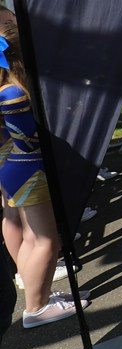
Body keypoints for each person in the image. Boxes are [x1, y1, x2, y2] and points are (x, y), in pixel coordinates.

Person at [0, 25, 89, 328]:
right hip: (28, 169)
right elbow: (29, 137)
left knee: (31, 237)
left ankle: (39, 294)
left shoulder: (10, 89)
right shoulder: (13, 93)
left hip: (19, 167)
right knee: (45, 242)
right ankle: (36, 308)